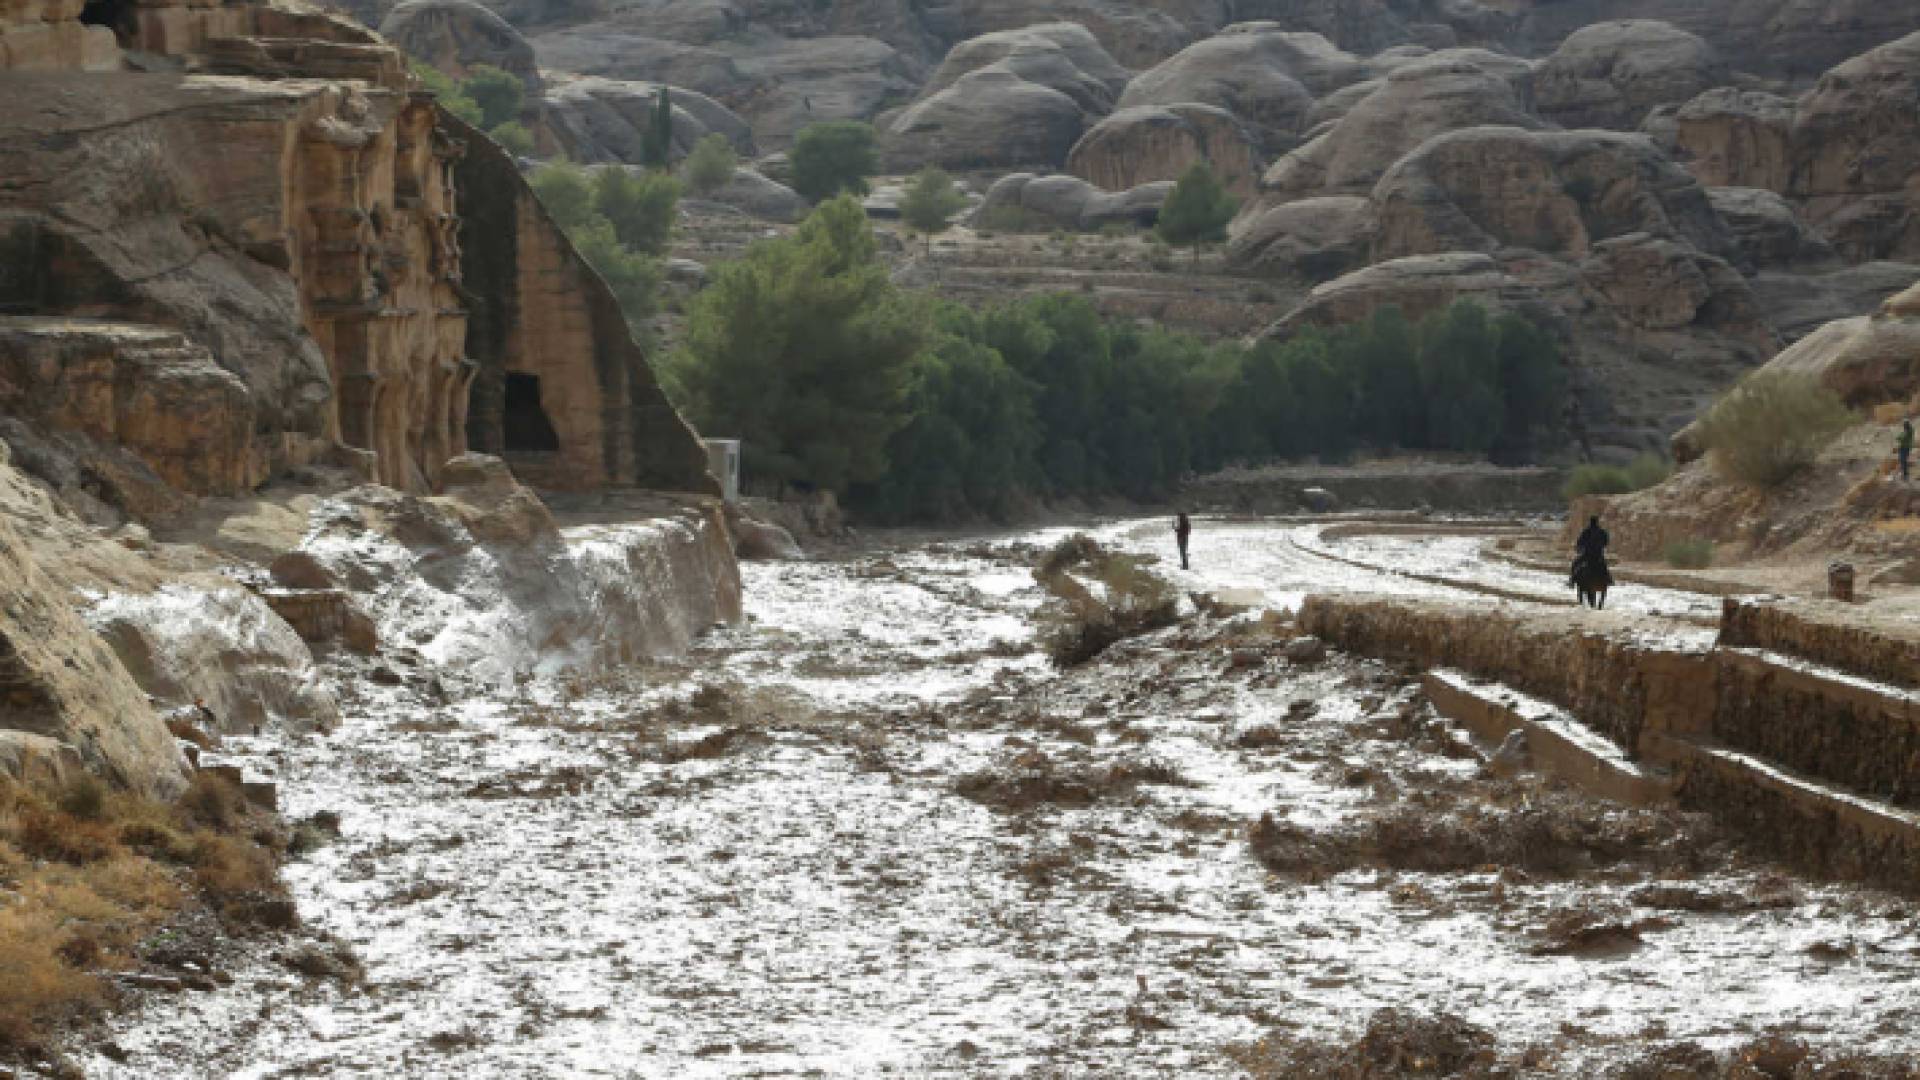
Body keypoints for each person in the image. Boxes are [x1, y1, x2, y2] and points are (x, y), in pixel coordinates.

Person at [1571, 514, 1610, 586]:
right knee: (1604, 567)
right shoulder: (1602, 532)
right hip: (1598, 555)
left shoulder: (1586, 531)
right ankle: (1609, 580)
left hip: (1587, 554)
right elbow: (1606, 541)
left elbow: (1580, 541)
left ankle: (1572, 580)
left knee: (1575, 564)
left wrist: (1579, 547)